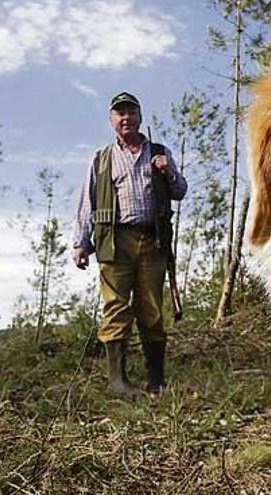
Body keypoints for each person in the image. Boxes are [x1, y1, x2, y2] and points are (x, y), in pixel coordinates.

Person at [72, 91, 187, 397]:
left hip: (153, 241)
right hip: (114, 243)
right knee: (115, 307)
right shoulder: (101, 159)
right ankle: (117, 382)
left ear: (140, 117)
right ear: (112, 120)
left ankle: (156, 381)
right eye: (119, 113)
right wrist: (80, 243)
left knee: (151, 309)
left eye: (131, 112)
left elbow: (180, 191)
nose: (126, 118)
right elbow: (88, 202)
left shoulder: (159, 152)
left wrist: (168, 170)